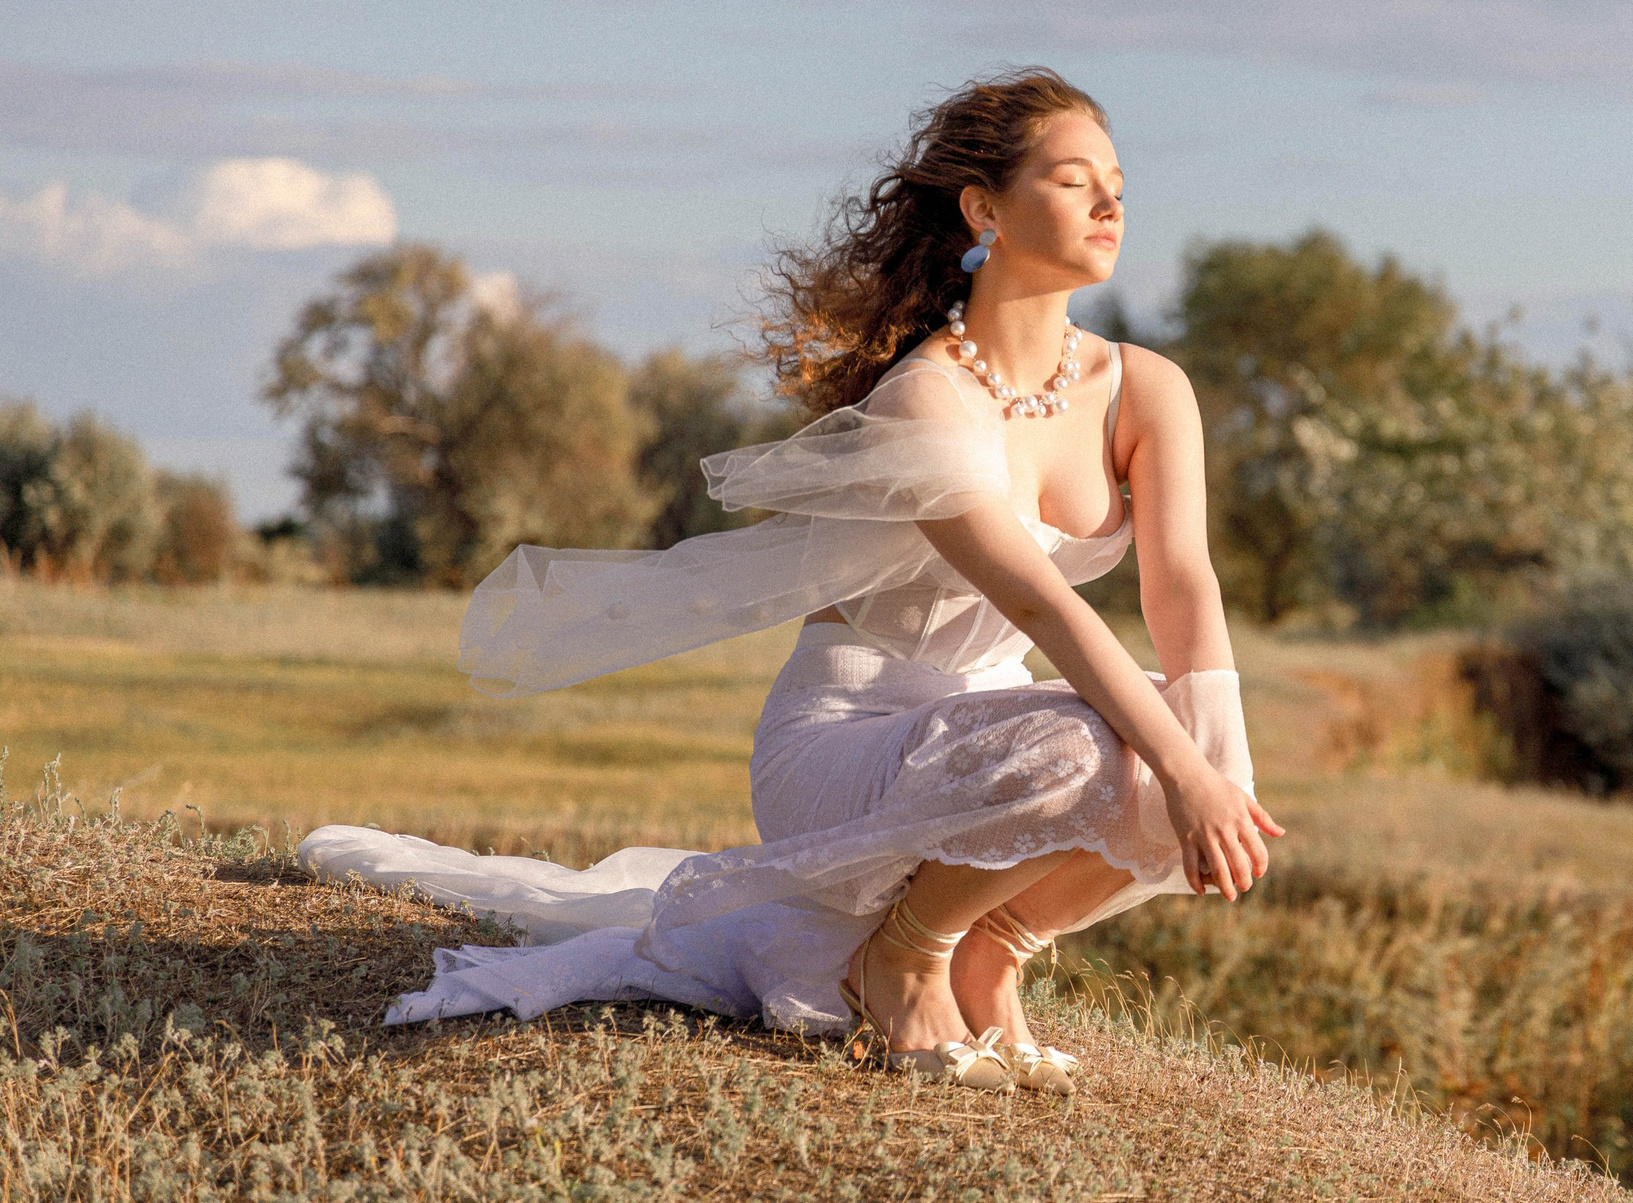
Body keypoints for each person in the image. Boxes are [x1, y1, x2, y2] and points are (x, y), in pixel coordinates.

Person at [300, 69, 1281, 1095]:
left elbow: (1183, 585)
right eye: (1075, 181)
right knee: (1108, 747)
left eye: (1118, 183)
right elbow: (1038, 601)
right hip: (848, 737)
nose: (1111, 203)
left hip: (986, 726)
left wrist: (1214, 766)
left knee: (1194, 741)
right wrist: (1180, 767)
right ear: (984, 210)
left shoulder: (1145, 388)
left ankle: (992, 950)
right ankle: (902, 958)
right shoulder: (927, 399)